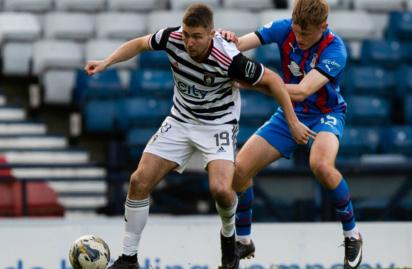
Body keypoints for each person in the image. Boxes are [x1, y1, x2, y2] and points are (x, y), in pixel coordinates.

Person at [84, 3, 315, 269]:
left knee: (221, 190)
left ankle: (229, 238)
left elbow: (273, 80)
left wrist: (293, 120)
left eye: (196, 37)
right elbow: (139, 44)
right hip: (181, 120)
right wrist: (106, 62)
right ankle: (129, 258)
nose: (189, 42)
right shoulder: (172, 39)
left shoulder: (228, 58)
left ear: (211, 34)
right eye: (186, 35)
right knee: (138, 181)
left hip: (218, 125)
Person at [221, 0, 363, 268]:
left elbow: (301, 91)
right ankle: (244, 240)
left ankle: (352, 234)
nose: (298, 38)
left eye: (305, 34)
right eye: (296, 31)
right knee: (239, 170)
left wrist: (253, 83)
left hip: (326, 115)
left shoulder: (335, 49)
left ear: (324, 27)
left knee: (321, 165)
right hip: (289, 114)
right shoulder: (284, 28)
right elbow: (239, 44)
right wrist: (229, 40)